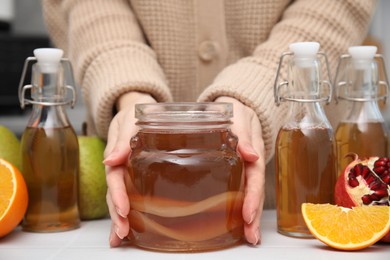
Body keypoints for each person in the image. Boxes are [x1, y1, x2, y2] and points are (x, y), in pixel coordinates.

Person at [41, 0, 377, 247]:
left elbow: (333, 9)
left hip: (297, 227)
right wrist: (130, 96)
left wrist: (249, 96)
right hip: (132, 134)